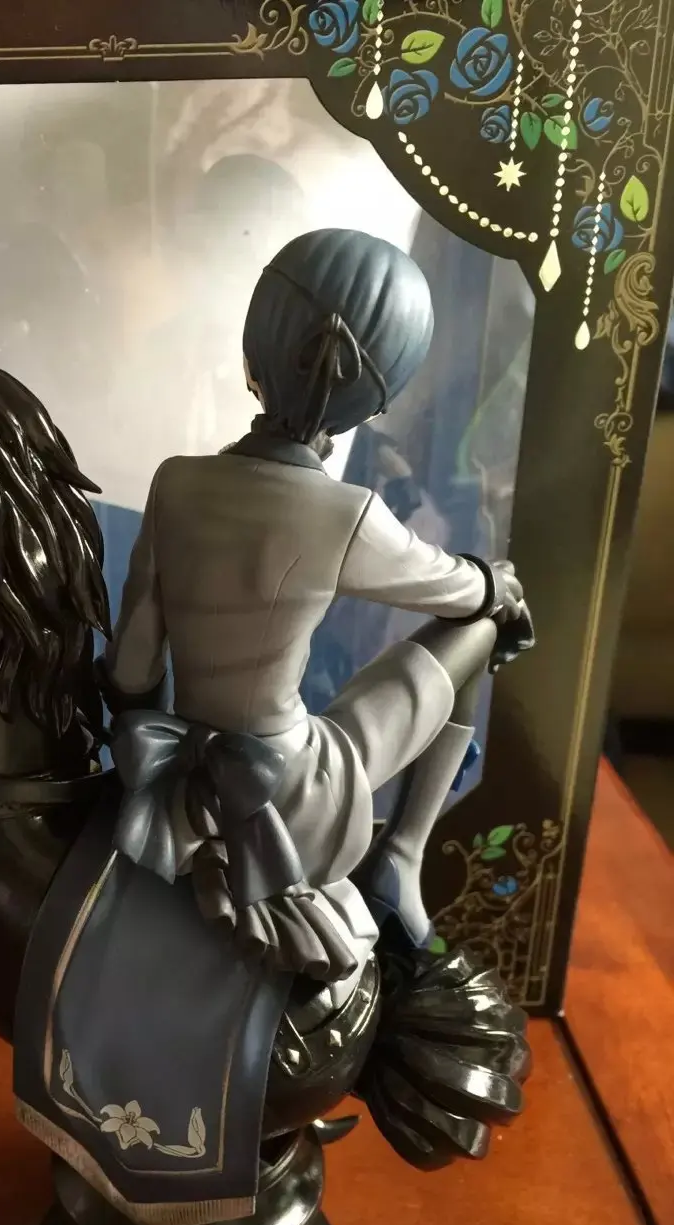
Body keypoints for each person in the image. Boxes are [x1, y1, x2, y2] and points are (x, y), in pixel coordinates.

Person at [96, 228, 533, 981]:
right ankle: (402, 854)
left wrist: (150, 766)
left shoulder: (175, 482)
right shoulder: (347, 513)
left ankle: (393, 857)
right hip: (293, 793)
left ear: (251, 358)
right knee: (485, 623)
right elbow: (458, 590)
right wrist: (500, 584)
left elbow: (133, 667)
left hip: (182, 776)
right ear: (376, 401)